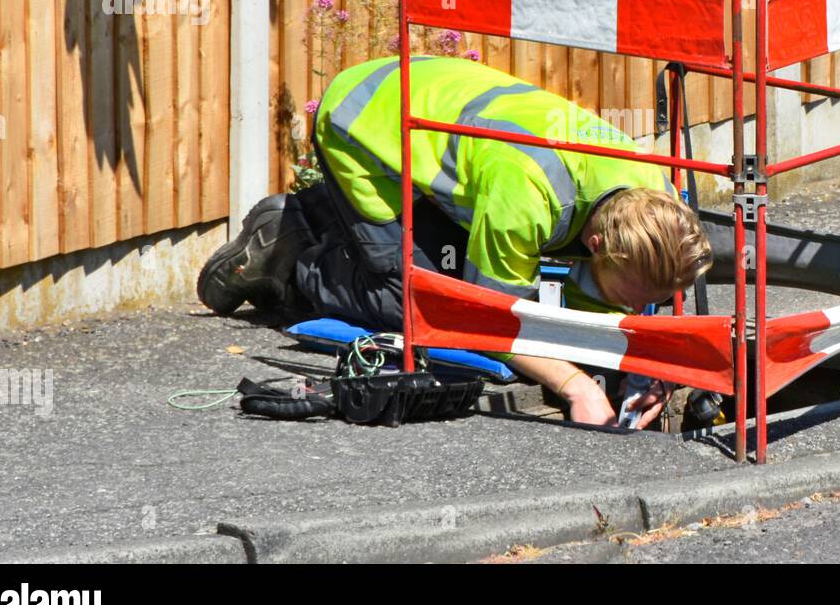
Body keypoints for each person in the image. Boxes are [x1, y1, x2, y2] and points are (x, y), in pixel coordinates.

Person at [197, 55, 713, 429]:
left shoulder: (655, 198)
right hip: (365, 120)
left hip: (434, 99)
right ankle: (290, 252)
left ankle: (320, 219)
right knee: (420, 300)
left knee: (465, 260)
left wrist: (644, 361)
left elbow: (606, 295)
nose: (640, 306)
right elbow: (486, 321)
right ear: (598, 241)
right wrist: (575, 384)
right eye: (634, 293)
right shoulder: (528, 195)